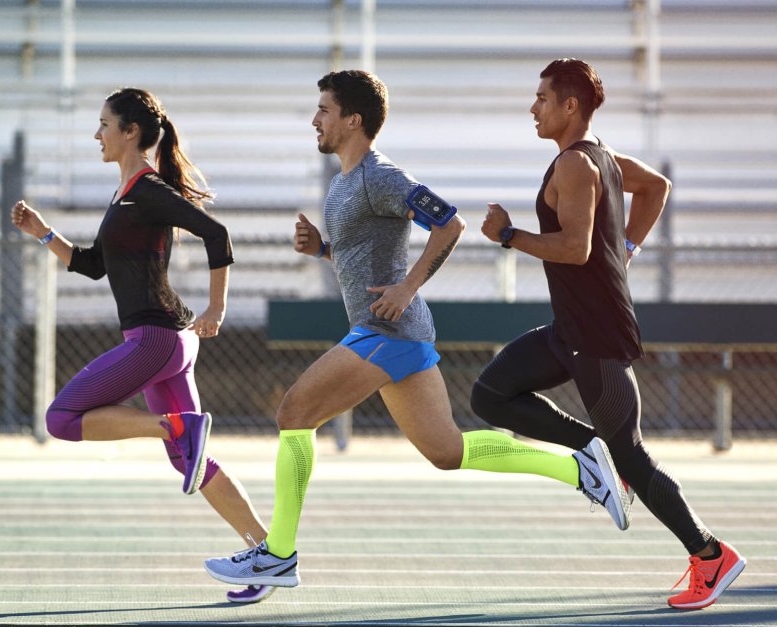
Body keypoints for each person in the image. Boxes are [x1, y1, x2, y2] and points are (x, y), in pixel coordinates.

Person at [202, 69, 631, 591]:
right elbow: (364, 256)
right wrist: (322, 249)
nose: (315, 119)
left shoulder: (380, 176)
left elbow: (449, 223)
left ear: (352, 120)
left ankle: (279, 555)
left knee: (294, 413)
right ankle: (580, 470)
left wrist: (405, 288)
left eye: (324, 110)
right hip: (396, 333)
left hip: (387, 330)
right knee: (447, 451)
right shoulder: (344, 182)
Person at [472, 58, 746, 610]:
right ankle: (589, 450)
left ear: (570, 106)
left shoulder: (578, 165)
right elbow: (657, 188)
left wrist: (508, 235)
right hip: (569, 330)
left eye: (542, 98)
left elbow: (574, 249)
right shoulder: (601, 158)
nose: (533, 107)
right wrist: (626, 251)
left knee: (634, 459)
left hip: (593, 335)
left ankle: (711, 555)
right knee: (490, 394)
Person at [10, 87, 273, 604]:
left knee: (61, 419)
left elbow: (217, 235)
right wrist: (43, 233)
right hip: (166, 342)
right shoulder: (125, 192)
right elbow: (92, 265)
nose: (97, 134)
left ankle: (174, 426)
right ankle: (268, 554)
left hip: (158, 340)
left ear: (130, 132)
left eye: (104, 124)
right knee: (190, 461)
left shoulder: (147, 189)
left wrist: (217, 309)